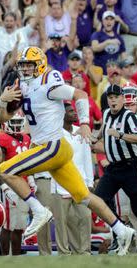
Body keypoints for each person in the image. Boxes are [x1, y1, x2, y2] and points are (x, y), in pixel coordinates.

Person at [0, 46, 135, 256]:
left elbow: (79, 94)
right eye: (22, 65)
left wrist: (86, 122)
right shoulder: (24, 86)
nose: (24, 69)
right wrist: (2, 101)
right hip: (56, 150)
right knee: (83, 195)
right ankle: (121, 230)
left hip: (52, 146)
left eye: (28, 65)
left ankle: (38, 210)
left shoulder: (48, 83)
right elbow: (3, 119)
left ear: (40, 65)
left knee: (5, 170)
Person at [91, 84, 137, 253]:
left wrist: (120, 135)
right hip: (114, 168)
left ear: (123, 98)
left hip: (132, 166)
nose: (113, 100)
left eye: (116, 97)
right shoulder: (107, 113)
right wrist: (95, 137)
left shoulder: (130, 117)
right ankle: (119, 233)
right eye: (110, 97)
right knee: (99, 200)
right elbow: (103, 129)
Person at [51, 103, 93, 255]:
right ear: (62, 114)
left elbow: (87, 157)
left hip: (80, 183)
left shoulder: (81, 131)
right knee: (61, 223)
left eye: (74, 111)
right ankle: (64, 254)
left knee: (85, 217)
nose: (74, 113)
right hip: (60, 185)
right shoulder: (54, 134)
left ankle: (85, 252)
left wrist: (89, 182)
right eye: (70, 111)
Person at [0, 114, 32, 256]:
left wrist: (31, 180)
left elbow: (30, 161)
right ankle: (5, 258)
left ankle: (17, 258)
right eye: (14, 122)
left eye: (19, 122)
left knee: (19, 226)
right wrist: (4, 187)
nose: (17, 125)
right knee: (8, 225)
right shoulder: (3, 138)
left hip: (23, 183)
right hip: (10, 184)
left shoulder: (26, 138)